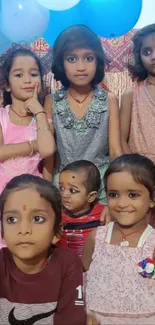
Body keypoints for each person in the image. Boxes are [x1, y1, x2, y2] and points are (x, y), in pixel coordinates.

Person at [44, 24, 122, 203]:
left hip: (100, 188)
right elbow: (49, 157)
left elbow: (115, 150)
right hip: (63, 189)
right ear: (61, 63)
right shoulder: (51, 101)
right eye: (72, 59)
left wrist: (115, 195)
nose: (81, 67)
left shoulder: (109, 99)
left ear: (98, 61)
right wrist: (46, 195)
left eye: (88, 58)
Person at [0, 174, 86, 325]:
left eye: (37, 219)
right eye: (12, 219)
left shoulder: (67, 264)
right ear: (2, 231)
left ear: (57, 232)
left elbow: (72, 320)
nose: (24, 230)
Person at [83, 154, 155, 324]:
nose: (122, 203)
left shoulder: (152, 243)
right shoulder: (97, 238)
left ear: (152, 198)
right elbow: (87, 270)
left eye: (133, 195)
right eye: (114, 194)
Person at [0, 48, 56, 194]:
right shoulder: (2, 116)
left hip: (33, 194)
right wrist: (33, 145)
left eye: (34, 74)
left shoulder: (43, 120)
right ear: (6, 85)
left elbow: (48, 153)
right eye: (19, 75)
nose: (27, 80)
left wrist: (39, 111)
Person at [120, 24, 155, 163]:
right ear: (139, 56)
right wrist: (136, 170)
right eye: (147, 52)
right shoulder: (131, 94)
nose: (154, 57)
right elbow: (121, 140)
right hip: (139, 172)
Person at [57, 160, 104, 257]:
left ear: (91, 197)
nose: (65, 194)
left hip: (92, 267)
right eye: (61, 188)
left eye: (72, 190)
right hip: (64, 268)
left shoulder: (103, 213)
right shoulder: (56, 214)